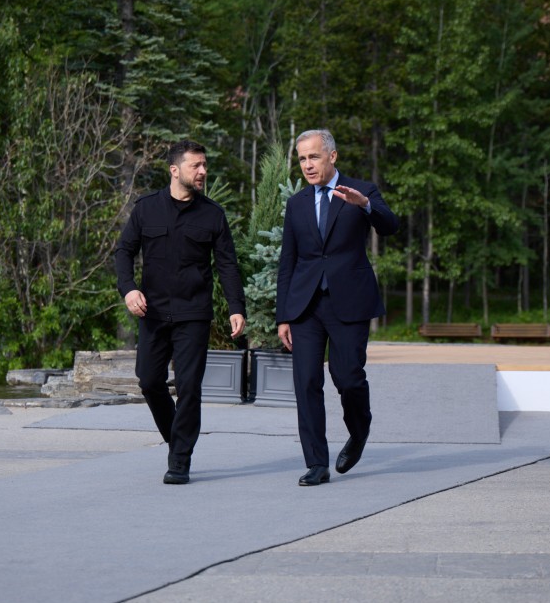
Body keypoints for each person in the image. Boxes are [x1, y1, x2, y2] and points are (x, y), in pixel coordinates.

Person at [114, 139, 246, 485]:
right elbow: (123, 252)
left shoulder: (213, 214)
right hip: (153, 314)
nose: (203, 171)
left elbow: (228, 265)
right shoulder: (146, 209)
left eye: (204, 165)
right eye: (195, 166)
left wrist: (236, 308)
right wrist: (129, 289)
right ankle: (178, 438)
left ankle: (180, 459)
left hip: (193, 314)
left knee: (189, 386)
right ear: (175, 170)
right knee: (150, 381)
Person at [276, 129, 399, 486]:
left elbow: (391, 226)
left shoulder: (362, 191)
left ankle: (359, 431)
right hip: (305, 307)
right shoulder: (297, 203)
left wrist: (365, 205)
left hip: (349, 302)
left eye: (313, 157)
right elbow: (289, 261)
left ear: (332, 156)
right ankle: (316, 462)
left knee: (348, 378)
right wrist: (283, 314)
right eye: (301, 159)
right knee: (306, 383)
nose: (307, 165)